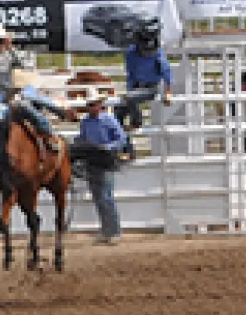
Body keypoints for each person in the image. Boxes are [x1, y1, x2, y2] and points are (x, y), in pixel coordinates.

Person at [72, 97, 126, 245]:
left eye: (93, 105)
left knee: (105, 197)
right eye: (89, 105)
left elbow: (121, 139)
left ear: (100, 105)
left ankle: (114, 231)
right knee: (99, 198)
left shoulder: (109, 119)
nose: (91, 108)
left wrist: (108, 146)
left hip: (105, 160)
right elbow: (83, 137)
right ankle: (107, 230)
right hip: (92, 160)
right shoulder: (86, 122)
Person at [116, 20, 173, 131]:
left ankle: (136, 122)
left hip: (151, 87)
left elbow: (166, 72)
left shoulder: (158, 53)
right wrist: (130, 88)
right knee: (118, 110)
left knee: (130, 98)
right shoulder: (131, 53)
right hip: (136, 86)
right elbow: (131, 73)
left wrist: (168, 92)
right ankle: (121, 137)